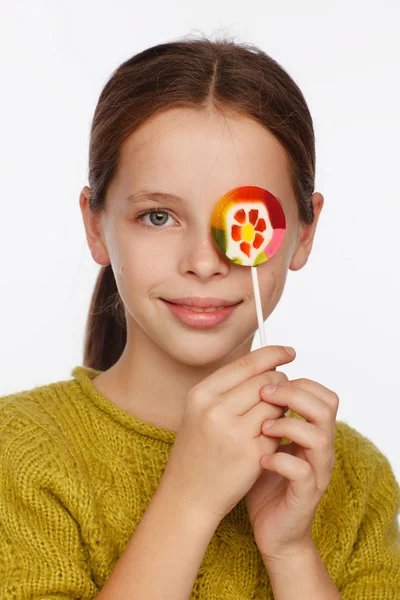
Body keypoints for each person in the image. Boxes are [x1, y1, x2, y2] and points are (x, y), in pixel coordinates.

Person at [0, 35, 399, 600]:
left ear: (304, 233)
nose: (205, 263)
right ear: (96, 225)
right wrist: (188, 501)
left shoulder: (354, 476)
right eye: (158, 216)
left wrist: (291, 551)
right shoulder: (16, 456)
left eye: (246, 220)